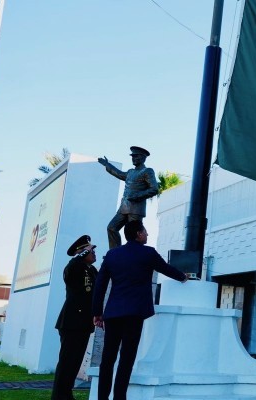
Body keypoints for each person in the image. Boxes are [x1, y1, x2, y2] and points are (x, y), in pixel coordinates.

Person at [92, 220, 187, 400]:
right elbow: (166, 269)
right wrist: (183, 277)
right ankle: (120, 397)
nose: (147, 235)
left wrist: (97, 312)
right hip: (134, 314)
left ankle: (102, 398)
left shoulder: (112, 255)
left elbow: (100, 285)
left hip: (112, 314)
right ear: (138, 234)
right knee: (127, 358)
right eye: (145, 231)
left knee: (107, 359)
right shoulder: (148, 253)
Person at [51, 235, 98, 400]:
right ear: (82, 252)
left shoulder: (91, 270)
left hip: (84, 323)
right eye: (91, 250)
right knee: (66, 362)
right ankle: (59, 396)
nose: (94, 253)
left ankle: (66, 394)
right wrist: (82, 254)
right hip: (71, 322)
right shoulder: (73, 268)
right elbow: (72, 267)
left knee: (75, 363)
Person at [97, 146, 158, 249]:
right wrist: (107, 164)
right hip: (124, 208)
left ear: (143, 158)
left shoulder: (147, 171)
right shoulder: (130, 172)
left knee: (134, 235)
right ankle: (116, 253)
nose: (133, 158)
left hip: (136, 209)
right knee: (111, 228)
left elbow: (154, 189)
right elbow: (119, 174)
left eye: (136, 156)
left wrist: (137, 196)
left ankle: (135, 254)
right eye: (132, 156)